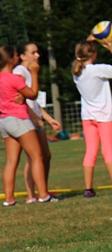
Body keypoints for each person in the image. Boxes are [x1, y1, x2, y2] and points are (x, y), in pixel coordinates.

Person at [71, 35, 112, 197]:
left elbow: (82, 51)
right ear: (93, 54)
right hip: (104, 116)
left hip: (87, 117)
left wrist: (91, 38)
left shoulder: (77, 72)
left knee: (90, 152)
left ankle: (88, 189)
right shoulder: (97, 69)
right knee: (108, 151)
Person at [1, 44, 49, 206]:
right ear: (10, 60)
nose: (17, 58)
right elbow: (33, 94)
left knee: (11, 162)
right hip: (19, 120)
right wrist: (34, 74)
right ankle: (43, 195)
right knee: (36, 156)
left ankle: (9, 199)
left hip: (4, 121)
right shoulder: (14, 78)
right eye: (15, 55)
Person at [14, 43, 59, 201]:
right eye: (33, 52)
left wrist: (49, 118)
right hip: (26, 120)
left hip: (35, 119)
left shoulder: (30, 71)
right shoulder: (19, 72)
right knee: (34, 158)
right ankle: (32, 195)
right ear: (23, 56)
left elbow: (32, 100)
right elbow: (19, 99)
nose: (37, 55)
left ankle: (42, 191)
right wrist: (34, 117)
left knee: (45, 156)